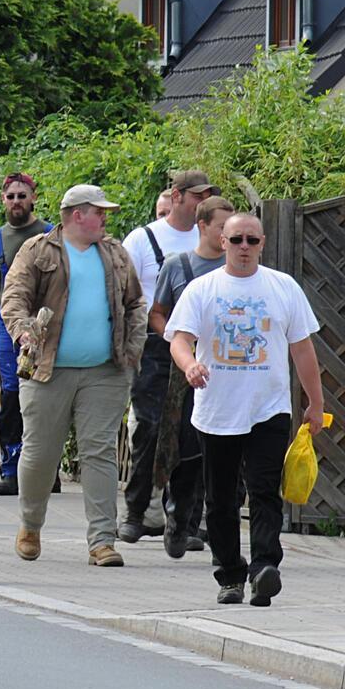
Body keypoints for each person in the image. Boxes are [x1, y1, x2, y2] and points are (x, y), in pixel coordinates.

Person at [168, 212, 324, 606]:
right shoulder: (202, 289)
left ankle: (264, 568)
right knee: (221, 498)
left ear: (262, 244)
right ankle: (230, 574)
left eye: (252, 240)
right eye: (236, 239)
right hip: (217, 410)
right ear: (223, 241)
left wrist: (315, 401)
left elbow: (302, 348)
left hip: (268, 408)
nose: (244, 247)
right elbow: (180, 340)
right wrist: (190, 365)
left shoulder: (283, 287)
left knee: (264, 489)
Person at [0, 185, 146, 568]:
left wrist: (132, 349)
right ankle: (30, 524)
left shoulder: (115, 253)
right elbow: (13, 298)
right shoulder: (37, 250)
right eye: (100, 212)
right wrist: (23, 331)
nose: (106, 218)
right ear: (78, 215)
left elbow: (135, 303)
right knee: (40, 453)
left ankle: (102, 541)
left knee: (99, 451)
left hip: (106, 371)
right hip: (47, 371)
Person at [121, 169, 216, 542]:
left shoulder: (210, 239)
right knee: (149, 428)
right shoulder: (143, 239)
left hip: (204, 350)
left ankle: (184, 522)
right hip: (156, 347)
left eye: (207, 196)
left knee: (193, 434)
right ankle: (136, 512)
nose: (203, 202)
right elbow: (127, 296)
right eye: (197, 196)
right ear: (177, 196)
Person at [147, 195, 232, 557]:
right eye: (223, 228)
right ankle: (179, 519)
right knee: (188, 450)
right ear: (203, 226)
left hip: (232, 375)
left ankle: (211, 531)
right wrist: (182, 346)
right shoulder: (179, 266)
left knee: (229, 457)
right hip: (188, 374)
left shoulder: (240, 270)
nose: (231, 238)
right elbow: (158, 313)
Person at [0, 173, 53, 497]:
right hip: (8, 330)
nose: (16, 201)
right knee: (11, 397)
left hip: (46, 326)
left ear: (33, 197)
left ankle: (44, 469)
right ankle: (11, 468)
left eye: (22, 195)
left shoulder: (51, 234)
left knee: (47, 397)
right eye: (11, 196)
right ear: (3, 200)